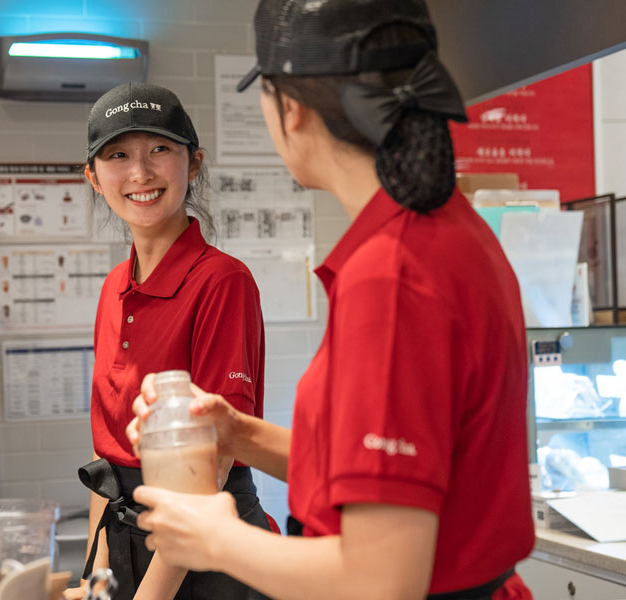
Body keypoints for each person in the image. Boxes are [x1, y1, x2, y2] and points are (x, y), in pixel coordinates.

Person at [126, 1, 536, 598]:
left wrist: (215, 539)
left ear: (289, 109)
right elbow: (394, 475)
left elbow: (381, 580)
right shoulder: (449, 229)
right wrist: (239, 432)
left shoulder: (390, 280)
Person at [66, 82, 272, 600]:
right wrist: (95, 581)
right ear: (93, 177)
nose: (140, 173)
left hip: (208, 550)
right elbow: (107, 460)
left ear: (193, 163)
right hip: (129, 542)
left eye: (160, 149)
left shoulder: (222, 280)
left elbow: (211, 466)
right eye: (118, 155)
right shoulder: (115, 286)